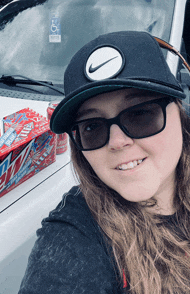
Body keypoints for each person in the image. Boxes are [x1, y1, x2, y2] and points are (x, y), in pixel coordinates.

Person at [18, 31, 190, 294]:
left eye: (140, 114)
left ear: (179, 111)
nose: (117, 142)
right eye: (93, 127)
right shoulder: (73, 241)